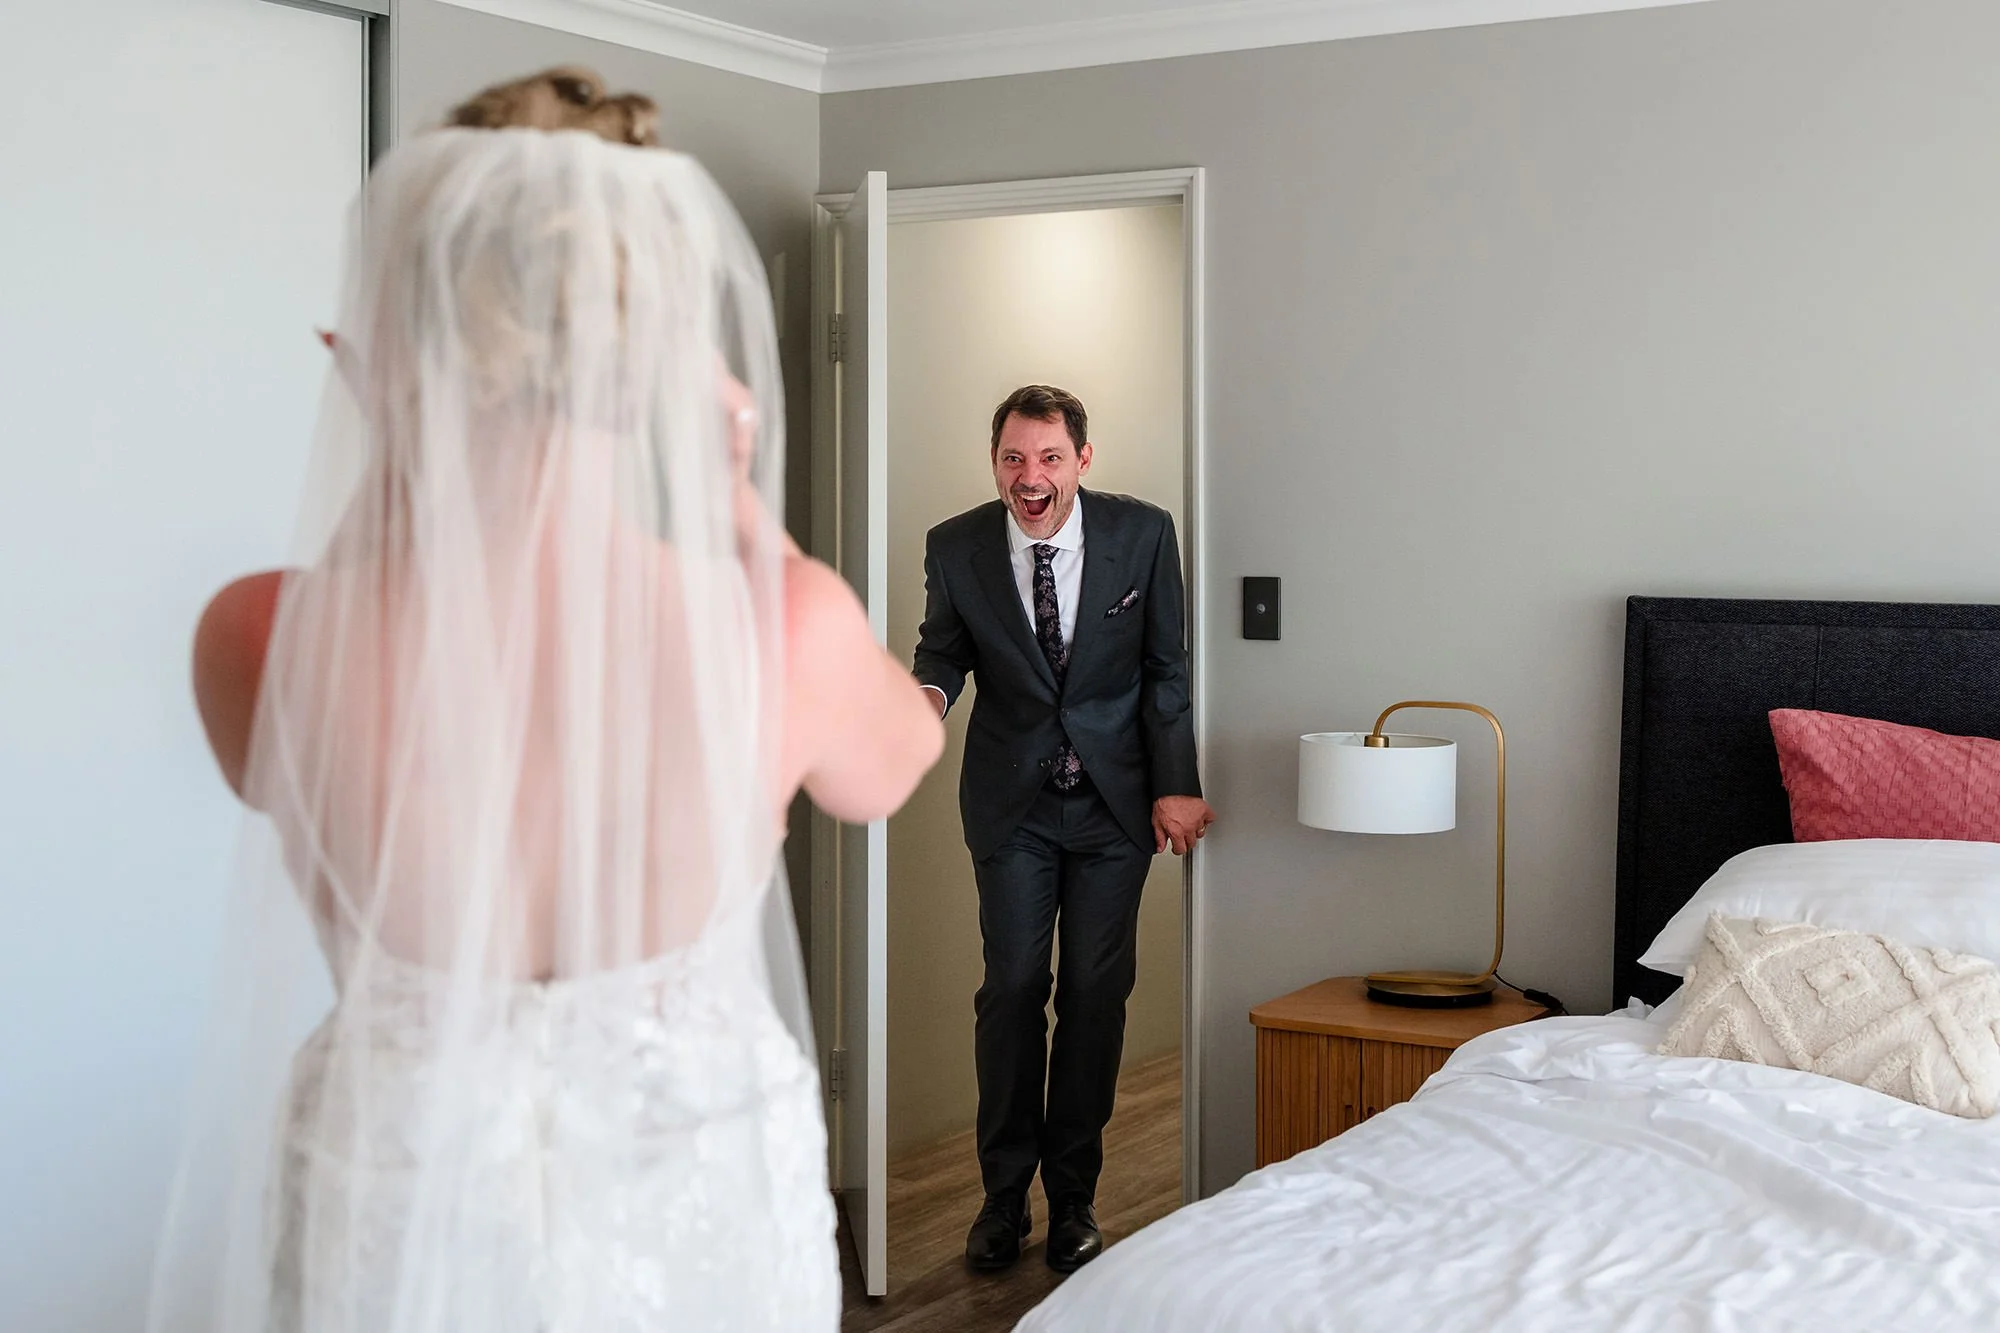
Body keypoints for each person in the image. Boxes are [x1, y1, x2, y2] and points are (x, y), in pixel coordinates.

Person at [150, 68, 942, 1332]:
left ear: (391, 337)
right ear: (655, 343)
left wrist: (392, 439)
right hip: (700, 1218)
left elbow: (326, 689)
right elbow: (896, 761)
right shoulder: (777, 629)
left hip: (394, 1211)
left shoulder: (260, 635)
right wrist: (739, 499)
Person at [911, 385, 1214, 1275]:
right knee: (1010, 990)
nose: (1029, 476)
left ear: (1083, 459)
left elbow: (1166, 669)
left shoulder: (1144, 533)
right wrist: (924, 699)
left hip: (1116, 808)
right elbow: (942, 650)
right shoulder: (957, 544)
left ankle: (1073, 1197)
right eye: (1013, 458)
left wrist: (1178, 787)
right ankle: (1002, 1198)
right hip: (1013, 807)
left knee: (1092, 994)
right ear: (996, 463)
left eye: (1047, 457)